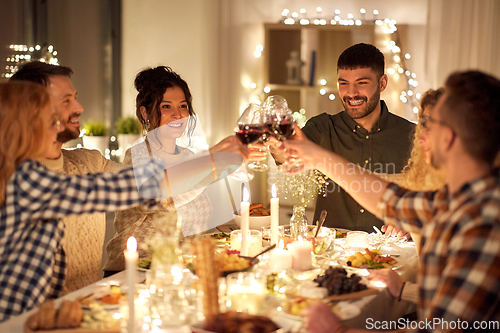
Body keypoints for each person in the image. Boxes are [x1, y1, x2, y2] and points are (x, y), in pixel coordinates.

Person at [284, 70, 500, 332]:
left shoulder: (484, 221)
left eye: (431, 124)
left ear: (448, 137)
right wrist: (315, 156)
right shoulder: (457, 199)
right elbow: (388, 199)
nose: (421, 136)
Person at [0, 81, 168, 321]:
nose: (57, 128)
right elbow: (106, 190)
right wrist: (213, 161)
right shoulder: (25, 180)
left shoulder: (29, 173)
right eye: (49, 121)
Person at [103, 66, 259, 275]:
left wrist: (232, 164)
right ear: (145, 112)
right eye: (166, 106)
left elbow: (195, 208)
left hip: (177, 271)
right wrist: (213, 160)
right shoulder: (138, 156)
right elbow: (163, 199)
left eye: (183, 106)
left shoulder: (188, 156)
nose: (178, 114)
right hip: (133, 274)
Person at [272, 43, 415, 232]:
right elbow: (285, 157)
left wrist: (409, 224)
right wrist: (276, 144)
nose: (351, 93)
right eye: (343, 83)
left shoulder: (412, 136)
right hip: (328, 253)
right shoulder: (322, 128)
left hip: (389, 255)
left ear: (382, 83)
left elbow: (424, 199)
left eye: (361, 83)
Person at [10, 61, 126, 294]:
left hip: (91, 315)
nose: (80, 107)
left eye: (75, 97)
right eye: (66, 100)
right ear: (34, 110)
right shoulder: (15, 181)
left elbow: (144, 184)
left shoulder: (89, 161)